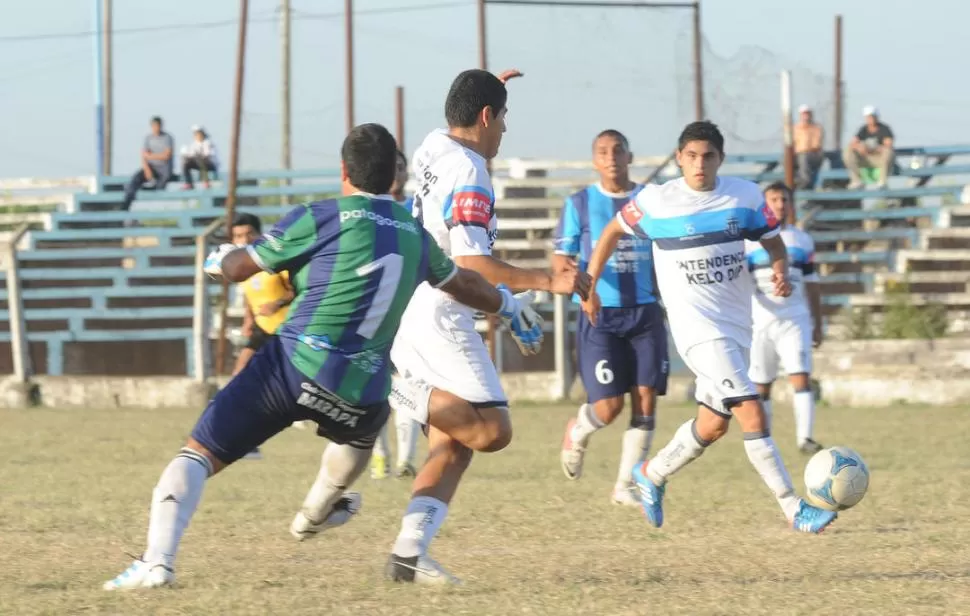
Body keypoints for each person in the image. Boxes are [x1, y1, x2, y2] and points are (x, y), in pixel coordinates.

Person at [102, 122, 543, 590]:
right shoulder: (415, 234)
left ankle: (157, 563)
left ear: (344, 171)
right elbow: (464, 282)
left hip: (293, 366)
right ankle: (315, 512)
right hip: (364, 388)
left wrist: (220, 259)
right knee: (359, 437)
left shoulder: (321, 215)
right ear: (392, 178)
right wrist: (510, 307)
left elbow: (239, 268)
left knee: (197, 453)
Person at [378, 68, 591, 584]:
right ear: (486, 117)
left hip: (417, 303)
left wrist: (486, 86)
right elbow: (469, 265)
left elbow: (462, 118)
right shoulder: (471, 171)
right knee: (492, 429)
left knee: (452, 445)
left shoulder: (434, 143)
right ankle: (387, 390)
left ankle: (408, 554)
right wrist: (545, 280)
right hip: (440, 311)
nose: (504, 131)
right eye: (502, 118)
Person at [581, 121, 838, 534]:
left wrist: (779, 268)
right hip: (697, 331)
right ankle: (794, 508)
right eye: (691, 156)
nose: (700, 165)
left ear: (721, 158)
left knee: (713, 423)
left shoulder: (745, 196)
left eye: (709, 156)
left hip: (738, 326)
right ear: (680, 157)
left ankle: (652, 472)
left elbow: (772, 239)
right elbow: (612, 230)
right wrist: (588, 284)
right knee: (752, 411)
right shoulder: (656, 201)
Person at [554, 129, 668, 506]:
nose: (611, 157)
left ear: (630, 156)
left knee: (646, 400)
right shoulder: (581, 203)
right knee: (609, 407)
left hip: (646, 310)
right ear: (594, 161)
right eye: (603, 151)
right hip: (599, 313)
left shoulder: (650, 200)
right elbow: (561, 259)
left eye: (618, 150)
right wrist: (583, 287)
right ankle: (579, 431)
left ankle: (625, 487)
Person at [745, 182, 824, 454]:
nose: (780, 204)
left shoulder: (802, 240)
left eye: (784, 199)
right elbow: (742, 283)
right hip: (761, 320)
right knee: (761, 384)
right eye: (774, 199)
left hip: (795, 319)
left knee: (800, 377)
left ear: (791, 204)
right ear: (765, 204)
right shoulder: (748, 241)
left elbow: (813, 283)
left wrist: (818, 323)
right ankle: (765, 440)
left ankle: (805, 439)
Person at [370, 149, 421, 480]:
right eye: (391, 165)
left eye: (401, 167)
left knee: (408, 381)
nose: (396, 172)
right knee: (372, 383)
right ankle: (379, 454)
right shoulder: (368, 211)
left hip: (410, 307)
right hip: (375, 308)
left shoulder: (416, 208)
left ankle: (406, 460)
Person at [230, 212, 297, 458]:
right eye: (238, 236)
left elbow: (297, 291)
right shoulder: (241, 266)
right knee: (238, 377)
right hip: (262, 329)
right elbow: (250, 296)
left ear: (259, 234)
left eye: (249, 234)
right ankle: (248, 443)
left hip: (285, 329)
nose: (244, 239)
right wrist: (248, 321)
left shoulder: (275, 261)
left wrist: (276, 304)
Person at [123, 116, 174, 211]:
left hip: (163, 170)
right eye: (154, 126)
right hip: (151, 167)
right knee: (135, 180)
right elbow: (143, 155)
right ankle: (125, 205)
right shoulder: (148, 138)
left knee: (158, 187)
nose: (156, 128)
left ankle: (148, 188)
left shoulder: (167, 138)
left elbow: (166, 156)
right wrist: (146, 168)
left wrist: (150, 156)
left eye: (157, 126)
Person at [842, 106, 894, 189]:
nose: (871, 119)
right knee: (848, 152)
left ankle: (882, 181)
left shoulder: (884, 129)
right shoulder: (863, 129)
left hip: (879, 159)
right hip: (865, 159)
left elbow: (888, 144)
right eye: (868, 117)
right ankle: (856, 181)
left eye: (872, 116)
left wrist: (872, 148)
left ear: (877, 117)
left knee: (888, 152)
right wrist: (860, 147)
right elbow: (852, 143)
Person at [793, 104, 824, 190]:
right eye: (804, 114)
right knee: (785, 159)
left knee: (804, 157)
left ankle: (805, 182)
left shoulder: (816, 127)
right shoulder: (795, 128)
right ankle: (792, 181)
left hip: (813, 155)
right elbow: (792, 143)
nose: (806, 116)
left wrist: (800, 151)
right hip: (798, 154)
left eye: (807, 113)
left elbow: (815, 145)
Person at [180, 125, 219, 189]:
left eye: (199, 133)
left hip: (210, 165)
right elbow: (190, 154)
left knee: (201, 160)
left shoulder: (208, 143)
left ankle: (206, 182)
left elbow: (208, 155)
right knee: (186, 164)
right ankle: (188, 183)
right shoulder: (194, 144)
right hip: (199, 164)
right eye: (196, 134)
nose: (197, 135)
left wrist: (197, 157)